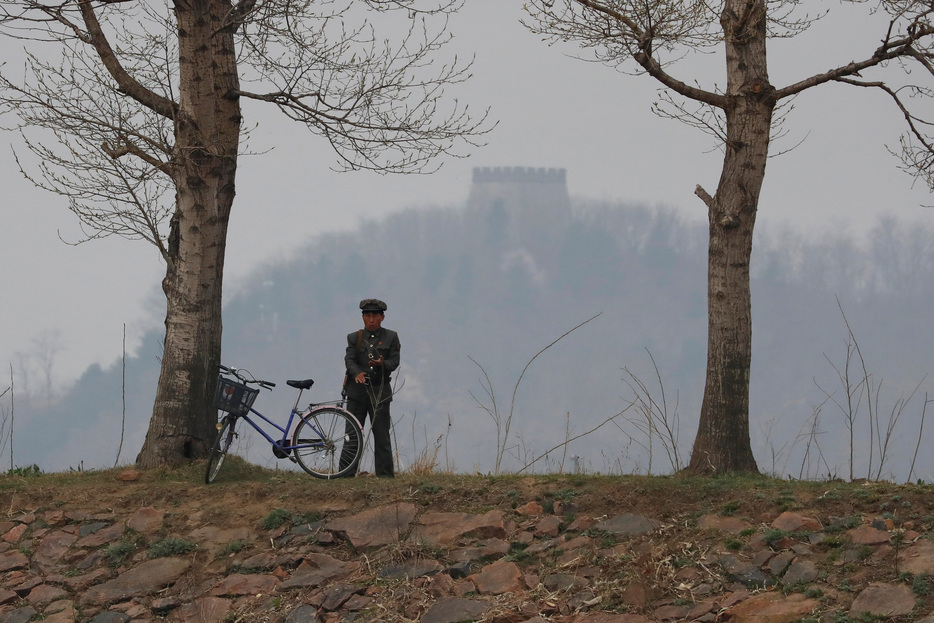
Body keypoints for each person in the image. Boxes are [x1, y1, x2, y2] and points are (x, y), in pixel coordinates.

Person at [339, 298, 401, 477]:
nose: (371, 320)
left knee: (382, 436)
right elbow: (349, 360)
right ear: (363, 317)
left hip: (379, 391)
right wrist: (356, 372)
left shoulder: (391, 336)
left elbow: (395, 361)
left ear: (382, 317)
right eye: (367, 316)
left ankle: (385, 476)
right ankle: (345, 475)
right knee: (352, 435)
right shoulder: (354, 337)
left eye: (375, 316)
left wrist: (383, 363)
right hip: (357, 392)